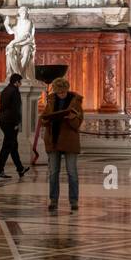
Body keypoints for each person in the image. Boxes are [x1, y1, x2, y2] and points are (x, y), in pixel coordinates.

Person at [41, 77, 83, 212]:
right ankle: (53, 200)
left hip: (69, 141)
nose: (61, 95)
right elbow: (44, 119)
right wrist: (45, 119)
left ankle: (74, 201)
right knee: (53, 172)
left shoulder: (76, 102)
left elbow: (77, 125)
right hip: (53, 141)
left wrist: (72, 119)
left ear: (67, 89)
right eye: (59, 92)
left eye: (63, 92)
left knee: (72, 172)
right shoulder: (51, 100)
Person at [0, 72, 29, 179]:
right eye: (20, 82)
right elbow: (16, 109)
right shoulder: (15, 91)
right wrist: (16, 123)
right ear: (16, 82)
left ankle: (20, 169)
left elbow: (2, 107)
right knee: (7, 147)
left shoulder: (5, 90)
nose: (21, 84)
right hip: (11, 122)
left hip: (3, 120)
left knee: (13, 146)